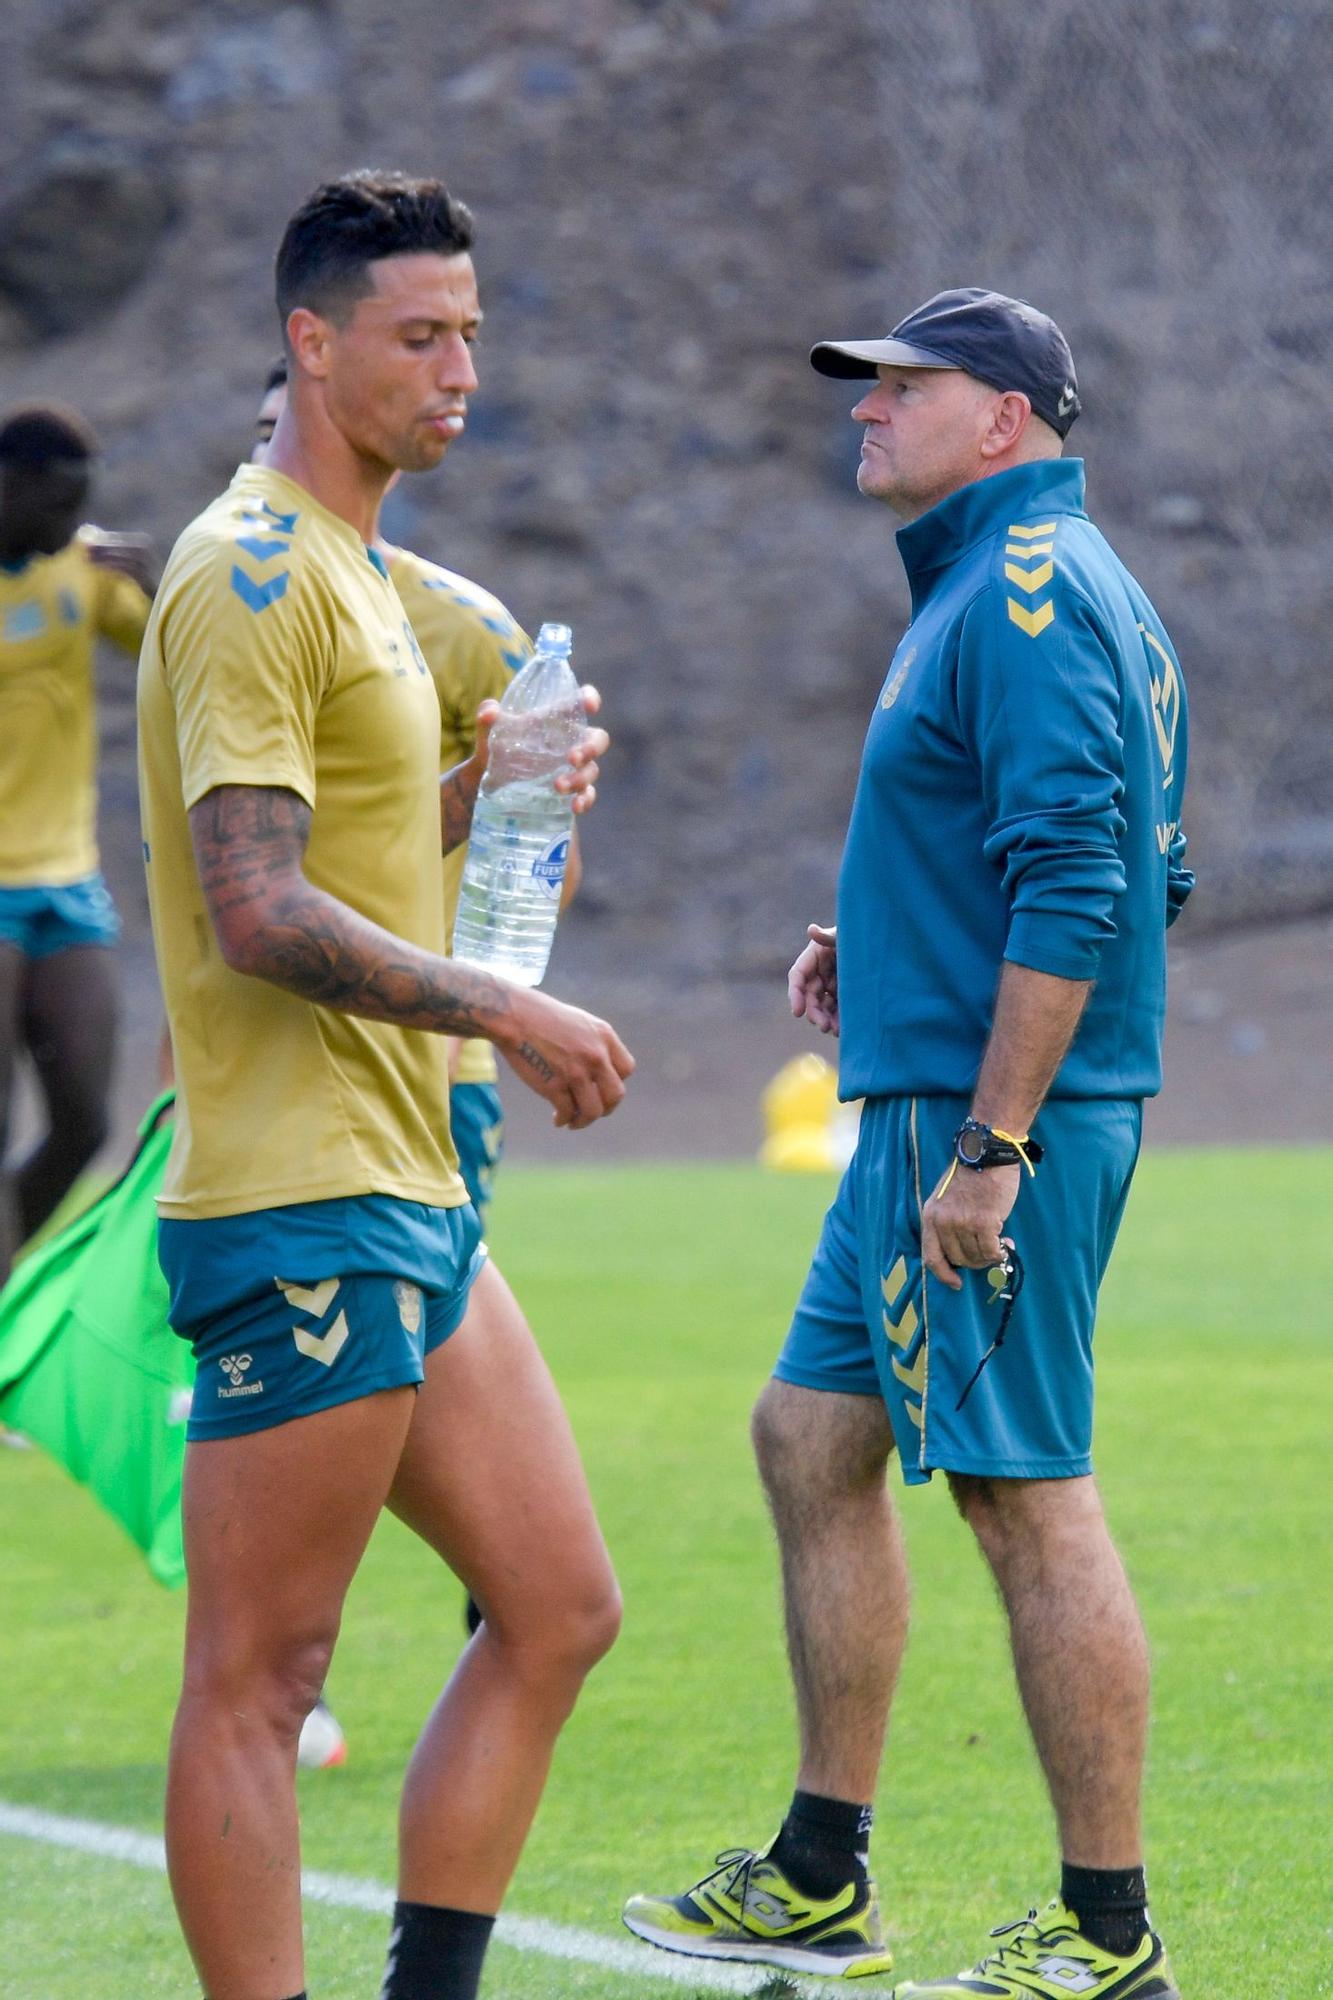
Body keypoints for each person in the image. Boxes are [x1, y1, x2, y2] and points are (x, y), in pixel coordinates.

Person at [624, 289, 1192, 2000]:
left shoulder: (1020, 594)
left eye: (901, 386)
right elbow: (1108, 860)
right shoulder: (999, 585)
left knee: (1027, 1504)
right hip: (933, 1108)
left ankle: (1106, 1939)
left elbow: (1091, 884)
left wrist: (995, 1143)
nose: (864, 409)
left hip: (984, 1137)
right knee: (807, 1437)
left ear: (1004, 415)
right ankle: (817, 1874)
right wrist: (878, 934)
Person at [137, 170, 633, 2000]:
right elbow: (254, 910)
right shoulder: (243, 571)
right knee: (261, 1680)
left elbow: (359, 858)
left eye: (473, 336)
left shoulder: (380, 585)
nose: (459, 373)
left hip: (415, 1186)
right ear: (310, 339)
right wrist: (509, 1007)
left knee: (560, 1608)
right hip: (298, 1192)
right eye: (421, 337)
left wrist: (501, 803)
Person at [0, 405, 154, 1283]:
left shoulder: (84, 572)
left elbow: (194, 667)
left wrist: (162, 587)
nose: (74, 525)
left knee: (86, 1122)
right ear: (9, 486)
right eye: (59, 505)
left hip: (66, 880)